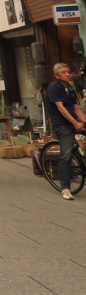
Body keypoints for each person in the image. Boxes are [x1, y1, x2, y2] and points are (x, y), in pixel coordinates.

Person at [45, 63, 86, 200]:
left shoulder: (71, 88)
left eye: (68, 72)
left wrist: (84, 122)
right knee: (66, 155)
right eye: (64, 72)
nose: (67, 74)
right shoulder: (53, 88)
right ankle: (65, 188)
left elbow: (76, 108)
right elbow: (61, 108)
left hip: (74, 122)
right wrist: (75, 123)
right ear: (57, 75)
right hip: (62, 124)